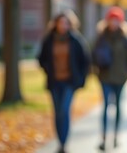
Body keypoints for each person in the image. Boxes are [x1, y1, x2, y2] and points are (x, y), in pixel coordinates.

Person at [38, 11, 90, 153]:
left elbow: (85, 61)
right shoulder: (49, 40)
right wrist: (47, 68)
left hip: (69, 82)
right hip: (54, 81)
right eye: (60, 22)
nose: (63, 25)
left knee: (64, 110)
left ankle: (64, 143)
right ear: (55, 24)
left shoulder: (75, 40)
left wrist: (81, 79)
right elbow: (41, 58)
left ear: (70, 24)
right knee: (57, 112)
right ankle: (60, 141)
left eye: (66, 22)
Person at [92, 6, 127, 151]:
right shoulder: (101, 37)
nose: (113, 23)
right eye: (111, 20)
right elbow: (93, 55)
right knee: (105, 107)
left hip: (120, 78)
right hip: (104, 77)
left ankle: (116, 136)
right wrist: (95, 70)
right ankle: (104, 138)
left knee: (117, 106)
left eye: (116, 20)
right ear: (107, 21)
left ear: (121, 22)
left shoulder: (125, 38)